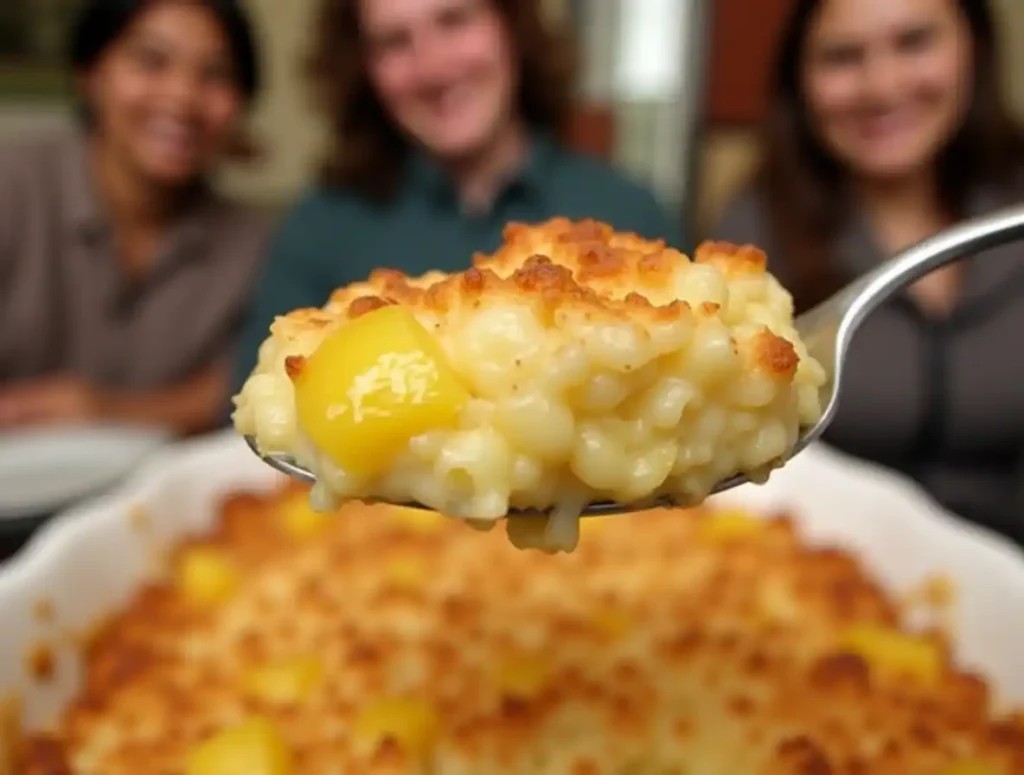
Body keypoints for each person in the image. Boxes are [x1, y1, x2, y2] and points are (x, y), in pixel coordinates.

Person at [232, 0, 682, 391]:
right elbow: (253, 426)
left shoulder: (630, 213)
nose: (432, 67)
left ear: (510, 26)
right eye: (393, 42)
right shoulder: (320, 229)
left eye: (454, 19)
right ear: (363, 69)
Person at [713, 0, 1024, 543]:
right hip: (827, 567)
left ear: (973, 45)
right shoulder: (747, 242)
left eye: (915, 42)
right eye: (842, 57)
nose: (881, 87)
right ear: (800, 81)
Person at [0, 0, 267, 436]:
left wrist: (104, 410)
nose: (182, 98)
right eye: (151, 61)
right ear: (90, 74)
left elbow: (245, 386)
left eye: (216, 75)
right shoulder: (11, 186)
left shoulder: (254, 243)